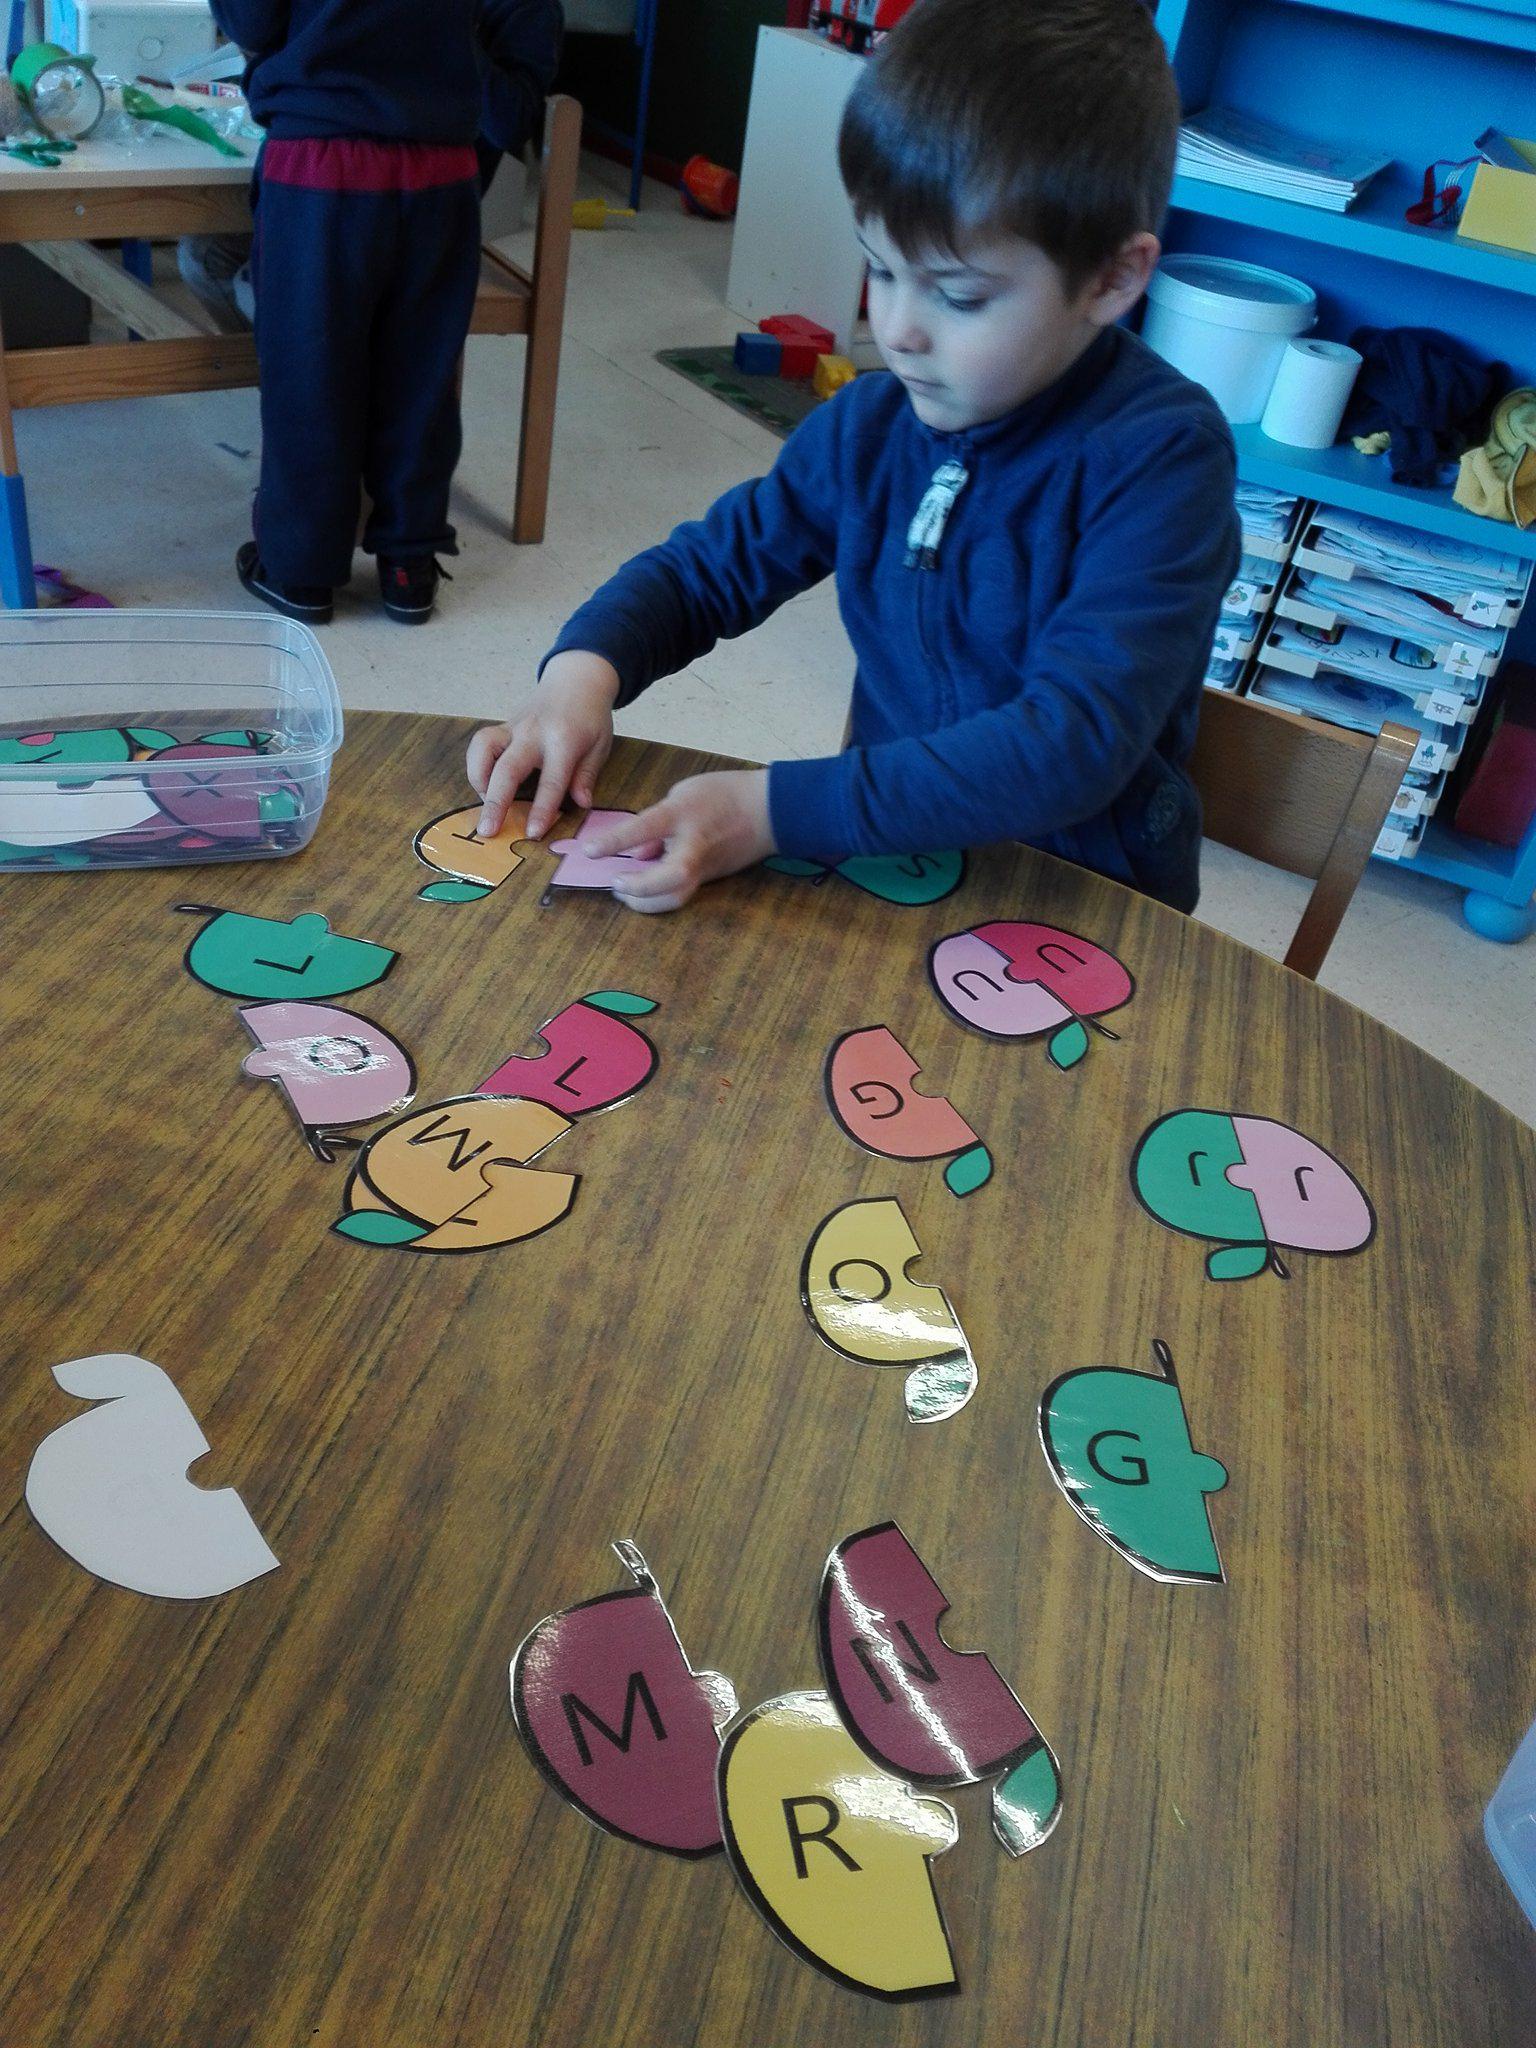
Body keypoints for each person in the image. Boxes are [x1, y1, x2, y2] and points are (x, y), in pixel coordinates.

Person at [469, 0, 1239, 912]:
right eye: (880, 266)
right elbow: (704, 572)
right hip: (893, 864)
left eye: (959, 295)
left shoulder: (1163, 460)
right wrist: (581, 673)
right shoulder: (871, 426)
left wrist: (773, 810)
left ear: (1113, 277)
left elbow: (1069, 743)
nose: (897, 328)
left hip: (1080, 905)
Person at [211, 0, 560, 626]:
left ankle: (300, 572)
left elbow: (254, 21)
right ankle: (409, 566)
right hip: (443, 163)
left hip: (325, 151)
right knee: (422, 376)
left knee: (311, 371)